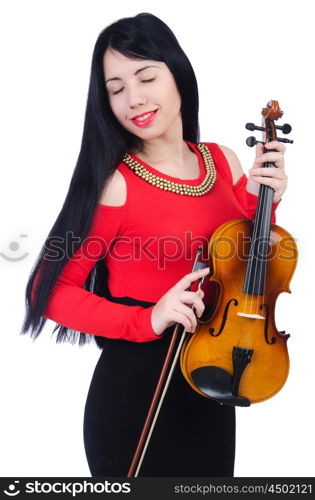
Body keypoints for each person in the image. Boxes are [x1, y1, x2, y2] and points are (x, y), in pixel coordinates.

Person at [21, 13, 288, 477]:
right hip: (137, 392)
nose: (134, 99)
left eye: (146, 77)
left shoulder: (223, 161)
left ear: (178, 75)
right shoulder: (116, 185)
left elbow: (248, 267)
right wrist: (149, 318)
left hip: (216, 376)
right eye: (116, 88)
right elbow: (49, 288)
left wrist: (270, 198)